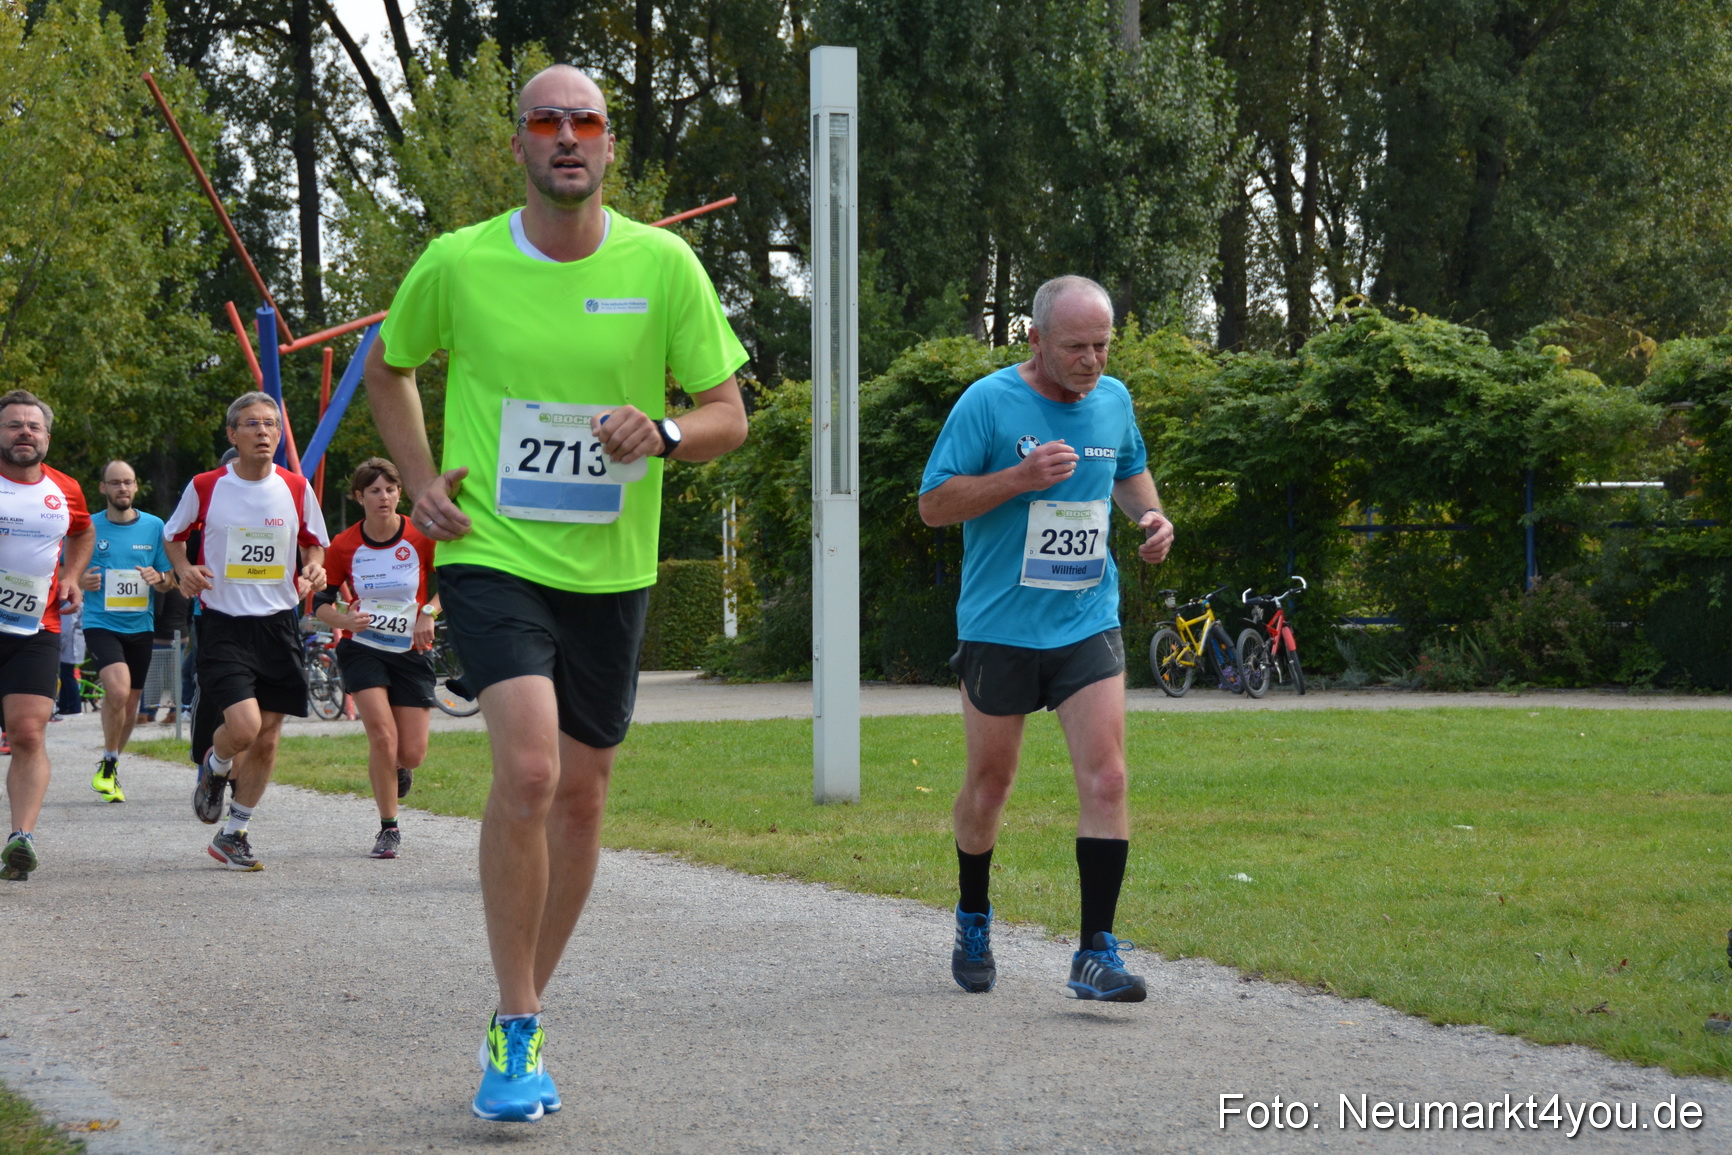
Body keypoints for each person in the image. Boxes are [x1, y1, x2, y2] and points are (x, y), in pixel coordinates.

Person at [363, 63, 749, 1123]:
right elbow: (388, 365)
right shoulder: (460, 261)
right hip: (494, 551)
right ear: (521, 144)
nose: (566, 136)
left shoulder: (663, 266)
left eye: (585, 121)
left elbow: (727, 412)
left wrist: (663, 431)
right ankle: (516, 1022)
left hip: (611, 571)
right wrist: (423, 472)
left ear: (611, 146)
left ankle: (524, 1004)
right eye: (546, 121)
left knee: (583, 794)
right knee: (529, 770)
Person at [918, 275, 1175, 1002]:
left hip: (1086, 618)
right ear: (1034, 339)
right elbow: (934, 504)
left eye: (1102, 345)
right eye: (1075, 347)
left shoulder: (1114, 401)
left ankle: (1095, 950)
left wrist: (1151, 519)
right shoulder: (989, 403)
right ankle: (973, 912)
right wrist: (1020, 476)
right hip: (1000, 625)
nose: (1091, 361)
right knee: (990, 786)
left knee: (1110, 777)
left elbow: (1130, 472)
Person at [164, 392, 329, 872]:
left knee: (270, 737)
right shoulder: (206, 485)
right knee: (245, 728)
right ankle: (215, 770)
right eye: (253, 424)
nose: (264, 432)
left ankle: (234, 833)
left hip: (279, 625)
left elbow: (315, 546)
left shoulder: (297, 487)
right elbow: (173, 535)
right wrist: (185, 568)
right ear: (232, 434)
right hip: (223, 625)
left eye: (272, 425)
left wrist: (314, 571)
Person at [312, 457, 438, 859]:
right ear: (359, 496)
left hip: (410, 648)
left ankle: (401, 767)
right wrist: (344, 618)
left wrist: (428, 613)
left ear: (400, 493)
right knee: (382, 737)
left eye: (390, 489)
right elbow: (319, 605)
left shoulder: (421, 536)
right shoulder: (344, 544)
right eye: (374, 491)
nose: (384, 497)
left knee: (411, 751)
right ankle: (389, 828)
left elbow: (452, 585)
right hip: (362, 647)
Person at [0, 389, 94, 881]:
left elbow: (81, 531)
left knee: (29, 733)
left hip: (36, 626)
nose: (24, 433)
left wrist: (72, 577)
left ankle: (21, 838)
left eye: (33, 427)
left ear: (47, 437)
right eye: (14, 425)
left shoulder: (67, 489)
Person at [79, 459, 176, 801]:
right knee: (118, 692)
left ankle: (110, 765)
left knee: (131, 703)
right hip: (101, 622)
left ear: (136, 487)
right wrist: (80, 579)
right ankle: (108, 761)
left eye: (128, 482)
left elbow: (168, 580)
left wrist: (158, 579)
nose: (122, 488)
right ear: (103, 488)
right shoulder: (88, 527)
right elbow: (66, 572)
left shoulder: (154, 526)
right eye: (115, 483)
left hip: (140, 626)